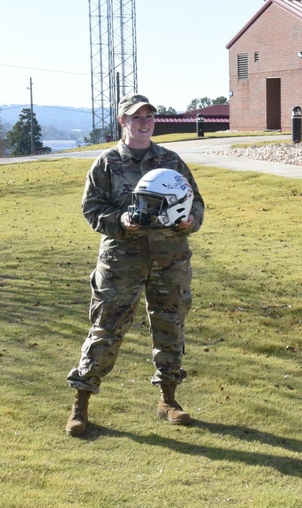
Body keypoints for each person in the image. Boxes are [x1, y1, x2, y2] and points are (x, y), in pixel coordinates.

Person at [65, 93, 205, 436]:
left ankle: (168, 400)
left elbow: (197, 203)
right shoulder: (107, 163)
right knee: (106, 330)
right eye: (136, 117)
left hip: (170, 259)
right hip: (121, 261)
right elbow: (91, 209)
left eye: (149, 117)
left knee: (170, 327)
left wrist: (190, 220)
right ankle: (81, 405)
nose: (144, 122)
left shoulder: (170, 161)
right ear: (122, 122)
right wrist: (120, 222)